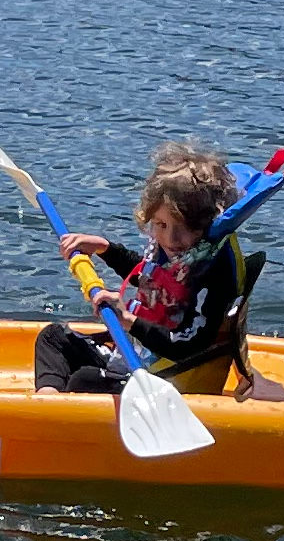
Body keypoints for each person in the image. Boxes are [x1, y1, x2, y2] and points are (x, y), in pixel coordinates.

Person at [34, 141, 269, 399]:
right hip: (140, 354)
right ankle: (46, 401)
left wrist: (129, 321)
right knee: (54, 337)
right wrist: (105, 249)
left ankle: (58, 420)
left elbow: (189, 344)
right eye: (161, 224)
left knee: (85, 380)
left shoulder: (214, 271)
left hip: (169, 377)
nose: (171, 239)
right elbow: (150, 277)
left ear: (209, 223)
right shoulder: (183, 251)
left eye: (185, 227)